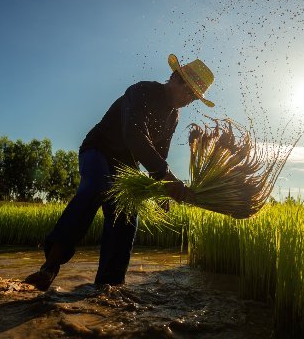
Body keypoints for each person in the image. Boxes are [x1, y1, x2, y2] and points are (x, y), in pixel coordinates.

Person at [24, 54, 215, 291]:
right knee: (97, 187)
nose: (189, 101)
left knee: (127, 217)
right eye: (188, 93)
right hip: (98, 150)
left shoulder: (173, 117)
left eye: (195, 98)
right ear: (175, 78)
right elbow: (134, 136)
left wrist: (161, 191)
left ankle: (109, 286)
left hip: (125, 166)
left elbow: (159, 153)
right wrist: (167, 177)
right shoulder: (141, 91)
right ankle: (50, 267)